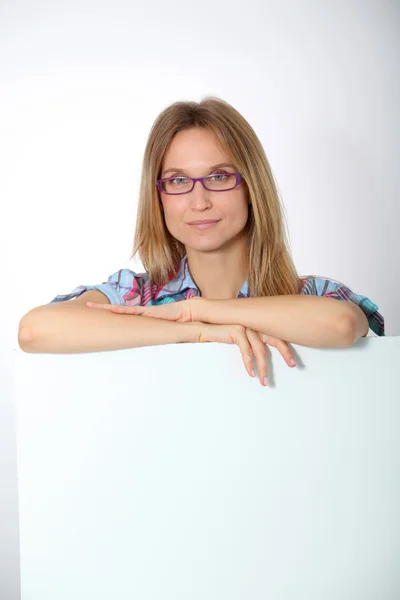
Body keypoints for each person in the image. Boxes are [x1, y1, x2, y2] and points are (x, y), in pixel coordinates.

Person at [18, 97, 385, 386]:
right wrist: (194, 333)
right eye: (178, 181)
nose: (199, 201)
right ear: (158, 197)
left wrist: (198, 309)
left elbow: (340, 325)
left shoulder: (307, 294)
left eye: (220, 176)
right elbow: (36, 330)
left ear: (251, 189)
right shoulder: (135, 297)